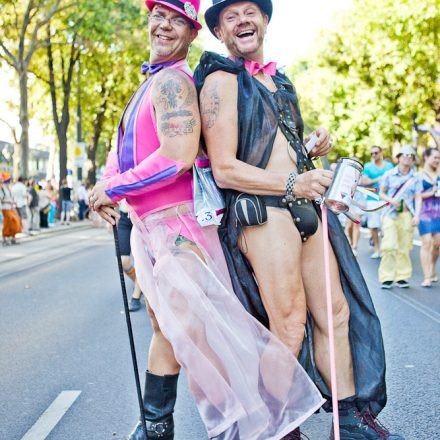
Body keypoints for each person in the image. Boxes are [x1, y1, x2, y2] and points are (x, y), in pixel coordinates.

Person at [89, 1, 323, 439]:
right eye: (159, 16)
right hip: (148, 228)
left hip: (179, 228)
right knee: (169, 328)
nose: (164, 26)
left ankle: (267, 424)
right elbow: (122, 155)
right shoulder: (149, 84)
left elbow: (177, 157)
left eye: (178, 21)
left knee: (208, 334)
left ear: (192, 34)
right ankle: (156, 426)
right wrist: (104, 187)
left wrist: (115, 188)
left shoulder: (175, 82)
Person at [195, 1, 404, 438]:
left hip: (303, 207)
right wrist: (294, 181)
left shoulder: (279, 79)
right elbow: (226, 168)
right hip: (264, 213)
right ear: (218, 32)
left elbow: (276, 148)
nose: (242, 21)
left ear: (266, 21)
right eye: (230, 17)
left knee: (336, 313)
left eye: (250, 12)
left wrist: (311, 147)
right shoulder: (220, 79)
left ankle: (347, 419)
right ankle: (274, 427)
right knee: (289, 323)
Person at [102, 152, 143, 312]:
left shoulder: (138, 150)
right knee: (123, 261)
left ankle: (136, 295)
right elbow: (109, 178)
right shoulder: (116, 154)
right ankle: (141, 283)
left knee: (142, 261)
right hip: (125, 217)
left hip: (141, 215)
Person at [379, 145, 422, 289]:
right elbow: (381, 193)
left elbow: (418, 197)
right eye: (405, 154)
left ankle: (402, 276)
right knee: (389, 245)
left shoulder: (415, 177)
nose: (408, 157)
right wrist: (391, 201)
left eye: (411, 155)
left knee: (404, 246)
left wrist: (417, 215)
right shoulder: (389, 174)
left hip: (406, 214)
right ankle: (387, 276)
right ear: (398, 157)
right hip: (390, 213)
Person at [362, 146, 394, 258]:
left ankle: (386, 248)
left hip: (386, 200)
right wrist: (379, 179)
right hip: (372, 200)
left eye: (375, 152)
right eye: (372, 153)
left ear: (381, 152)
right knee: (373, 226)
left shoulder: (389, 166)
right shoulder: (368, 166)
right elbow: (364, 181)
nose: (374, 155)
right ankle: (377, 249)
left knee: (387, 225)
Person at [418, 147, 440, 287]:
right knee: (427, 242)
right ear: (426, 157)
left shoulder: (439, 172)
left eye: (439, 158)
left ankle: (432, 269)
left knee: (437, 244)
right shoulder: (419, 175)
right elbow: (416, 195)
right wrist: (431, 192)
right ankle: (426, 276)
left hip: (438, 212)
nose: (437, 160)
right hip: (424, 213)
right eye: (435, 157)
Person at [0, 172, 22, 245]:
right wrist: (9, 201)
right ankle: (5, 237)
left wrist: (12, 202)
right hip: (5, 208)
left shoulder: (9, 188)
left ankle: (13, 237)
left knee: (16, 222)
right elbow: (1, 199)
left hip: (11, 208)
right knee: (8, 223)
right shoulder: (2, 189)